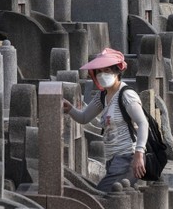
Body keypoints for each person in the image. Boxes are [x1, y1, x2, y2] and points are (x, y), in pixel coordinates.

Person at [63, 48, 149, 192]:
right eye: (99, 71)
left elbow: (143, 123)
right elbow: (84, 118)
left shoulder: (126, 95)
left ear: (117, 72)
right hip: (112, 159)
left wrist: (139, 154)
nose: (103, 75)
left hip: (128, 157)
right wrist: (70, 109)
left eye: (108, 70)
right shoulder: (102, 96)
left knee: (103, 196)